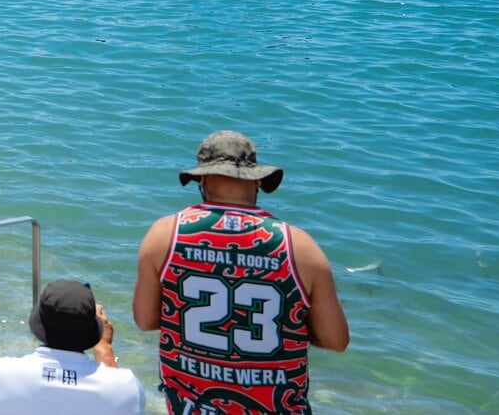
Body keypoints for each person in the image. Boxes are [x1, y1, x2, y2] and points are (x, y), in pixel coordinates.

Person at [134, 131, 348, 414]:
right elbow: (336, 340)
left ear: (201, 178)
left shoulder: (164, 236)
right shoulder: (299, 246)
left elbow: (146, 320)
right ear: (257, 179)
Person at [0, 280, 143, 413]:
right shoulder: (127, 387)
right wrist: (104, 347)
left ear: (39, 324)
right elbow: (120, 403)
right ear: (93, 332)